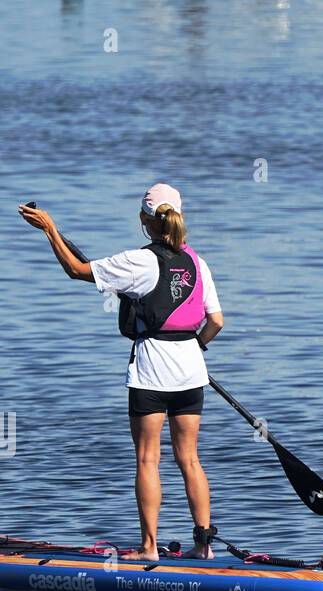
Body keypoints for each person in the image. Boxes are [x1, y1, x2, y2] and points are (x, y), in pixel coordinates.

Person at [18, 184, 224, 560]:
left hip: (152, 371)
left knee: (148, 459)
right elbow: (216, 321)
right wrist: (195, 349)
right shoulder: (197, 262)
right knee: (190, 459)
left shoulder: (140, 261)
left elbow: (78, 270)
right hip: (192, 371)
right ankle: (203, 547)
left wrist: (49, 228)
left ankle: (149, 548)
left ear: (145, 220)